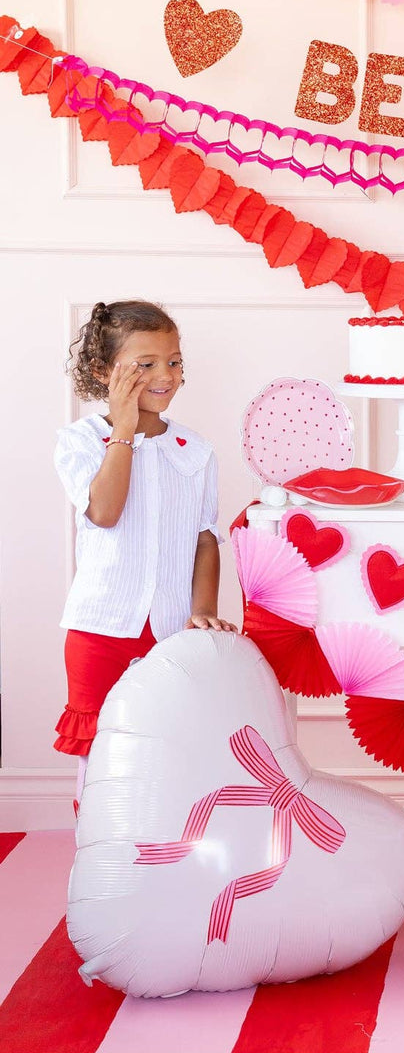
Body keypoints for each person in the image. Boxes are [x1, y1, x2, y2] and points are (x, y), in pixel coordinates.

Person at [55, 300, 236, 802]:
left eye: (174, 361)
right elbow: (106, 512)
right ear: (102, 372)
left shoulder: (196, 451)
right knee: (101, 753)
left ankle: (162, 854)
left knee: (171, 745)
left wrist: (203, 610)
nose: (166, 375)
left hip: (173, 631)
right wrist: (125, 430)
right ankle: (100, 854)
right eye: (146, 364)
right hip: (100, 628)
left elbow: (205, 537)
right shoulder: (79, 442)